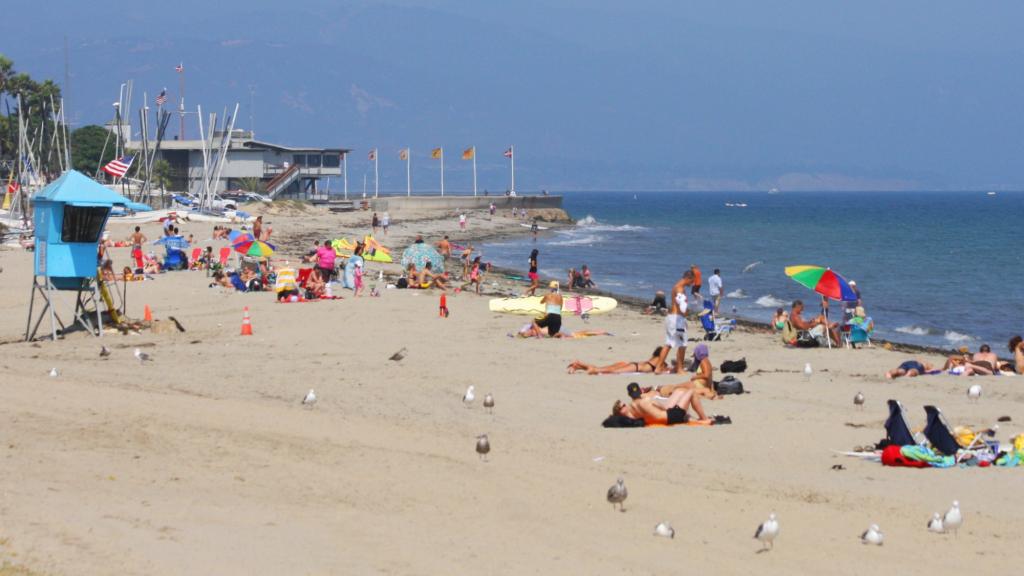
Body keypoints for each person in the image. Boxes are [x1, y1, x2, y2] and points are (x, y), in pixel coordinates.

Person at [654, 271, 693, 374]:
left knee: (669, 344)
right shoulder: (680, 288)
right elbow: (681, 305)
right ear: (688, 278)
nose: (692, 284)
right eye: (692, 281)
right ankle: (679, 368)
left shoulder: (676, 287)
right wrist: (685, 312)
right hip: (677, 319)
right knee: (683, 344)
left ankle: (658, 367)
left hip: (672, 318)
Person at [610, 388, 712, 426]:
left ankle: (695, 418)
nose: (625, 406)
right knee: (691, 392)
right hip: (672, 416)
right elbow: (660, 407)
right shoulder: (643, 402)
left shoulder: (632, 412)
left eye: (623, 404)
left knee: (680, 391)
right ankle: (704, 418)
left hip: (669, 415)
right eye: (622, 406)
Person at [567, 346, 671, 375]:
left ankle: (578, 365)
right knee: (608, 371)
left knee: (603, 368)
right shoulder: (660, 361)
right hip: (635, 367)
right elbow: (662, 370)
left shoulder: (655, 358)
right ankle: (589, 369)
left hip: (632, 364)